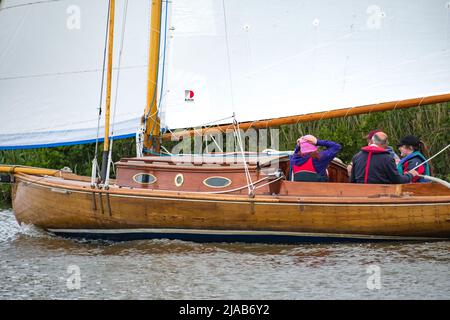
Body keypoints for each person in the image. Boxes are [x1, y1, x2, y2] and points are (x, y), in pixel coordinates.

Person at [350, 132, 418, 184]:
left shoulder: (357, 157)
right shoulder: (387, 158)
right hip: (380, 196)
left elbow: (352, 180)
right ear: (385, 143)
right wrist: (410, 175)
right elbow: (397, 180)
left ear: (371, 141)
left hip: (361, 195)